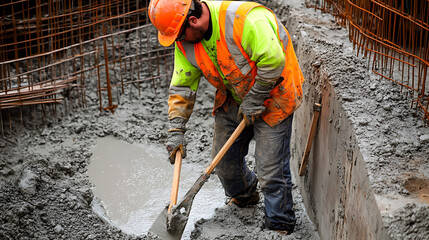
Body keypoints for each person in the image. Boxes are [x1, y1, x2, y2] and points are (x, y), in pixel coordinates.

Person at [148, 0, 305, 234]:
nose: (178, 42)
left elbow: (274, 60)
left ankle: (279, 224)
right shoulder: (186, 41)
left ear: (193, 21)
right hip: (234, 92)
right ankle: (244, 195)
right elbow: (182, 85)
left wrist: (256, 97)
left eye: (179, 36)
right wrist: (176, 129)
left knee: (270, 170)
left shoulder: (245, 20)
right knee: (223, 163)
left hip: (274, 94)